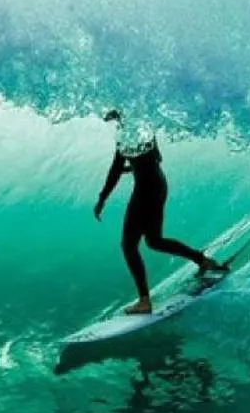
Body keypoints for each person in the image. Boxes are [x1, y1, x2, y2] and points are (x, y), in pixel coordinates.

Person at [93, 110, 228, 315]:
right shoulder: (146, 129)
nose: (110, 119)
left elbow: (115, 170)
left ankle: (144, 301)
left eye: (113, 116)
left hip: (145, 191)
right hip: (159, 185)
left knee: (129, 246)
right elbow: (156, 157)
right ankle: (203, 261)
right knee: (154, 241)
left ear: (120, 117)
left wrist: (102, 198)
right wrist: (134, 167)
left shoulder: (126, 135)